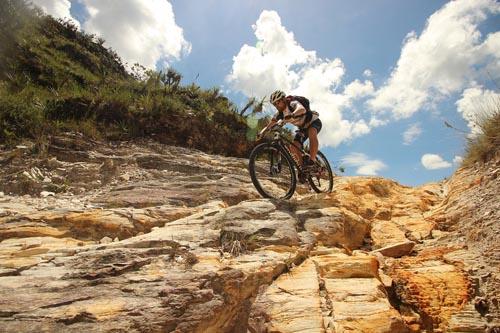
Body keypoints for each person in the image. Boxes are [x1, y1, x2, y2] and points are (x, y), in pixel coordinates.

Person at [258, 90, 322, 170]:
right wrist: (262, 132)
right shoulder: (280, 113)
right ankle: (303, 169)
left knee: (312, 133)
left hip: (313, 122)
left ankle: (312, 160)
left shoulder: (292, 103)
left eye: (278, 102)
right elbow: (271, 124)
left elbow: (301, 109)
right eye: (274, 104)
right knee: (293, 147)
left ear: (283, 99)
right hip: (302, 128)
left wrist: (292, 114)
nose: (276, 105)